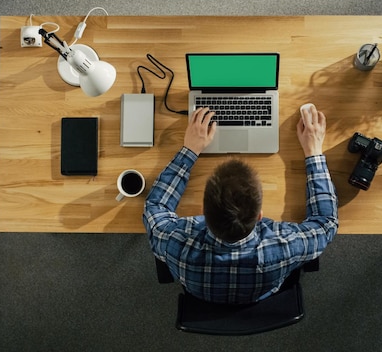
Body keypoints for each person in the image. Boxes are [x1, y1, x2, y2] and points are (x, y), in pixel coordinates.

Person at [143, 105, 338, 304]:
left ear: (203, 212)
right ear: (259, 215)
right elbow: (325, 224)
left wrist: (190, 150)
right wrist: (313, 152)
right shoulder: (285, 248)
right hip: (261, 294)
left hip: (202, 292)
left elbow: (155, 208)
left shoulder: (176, 245)